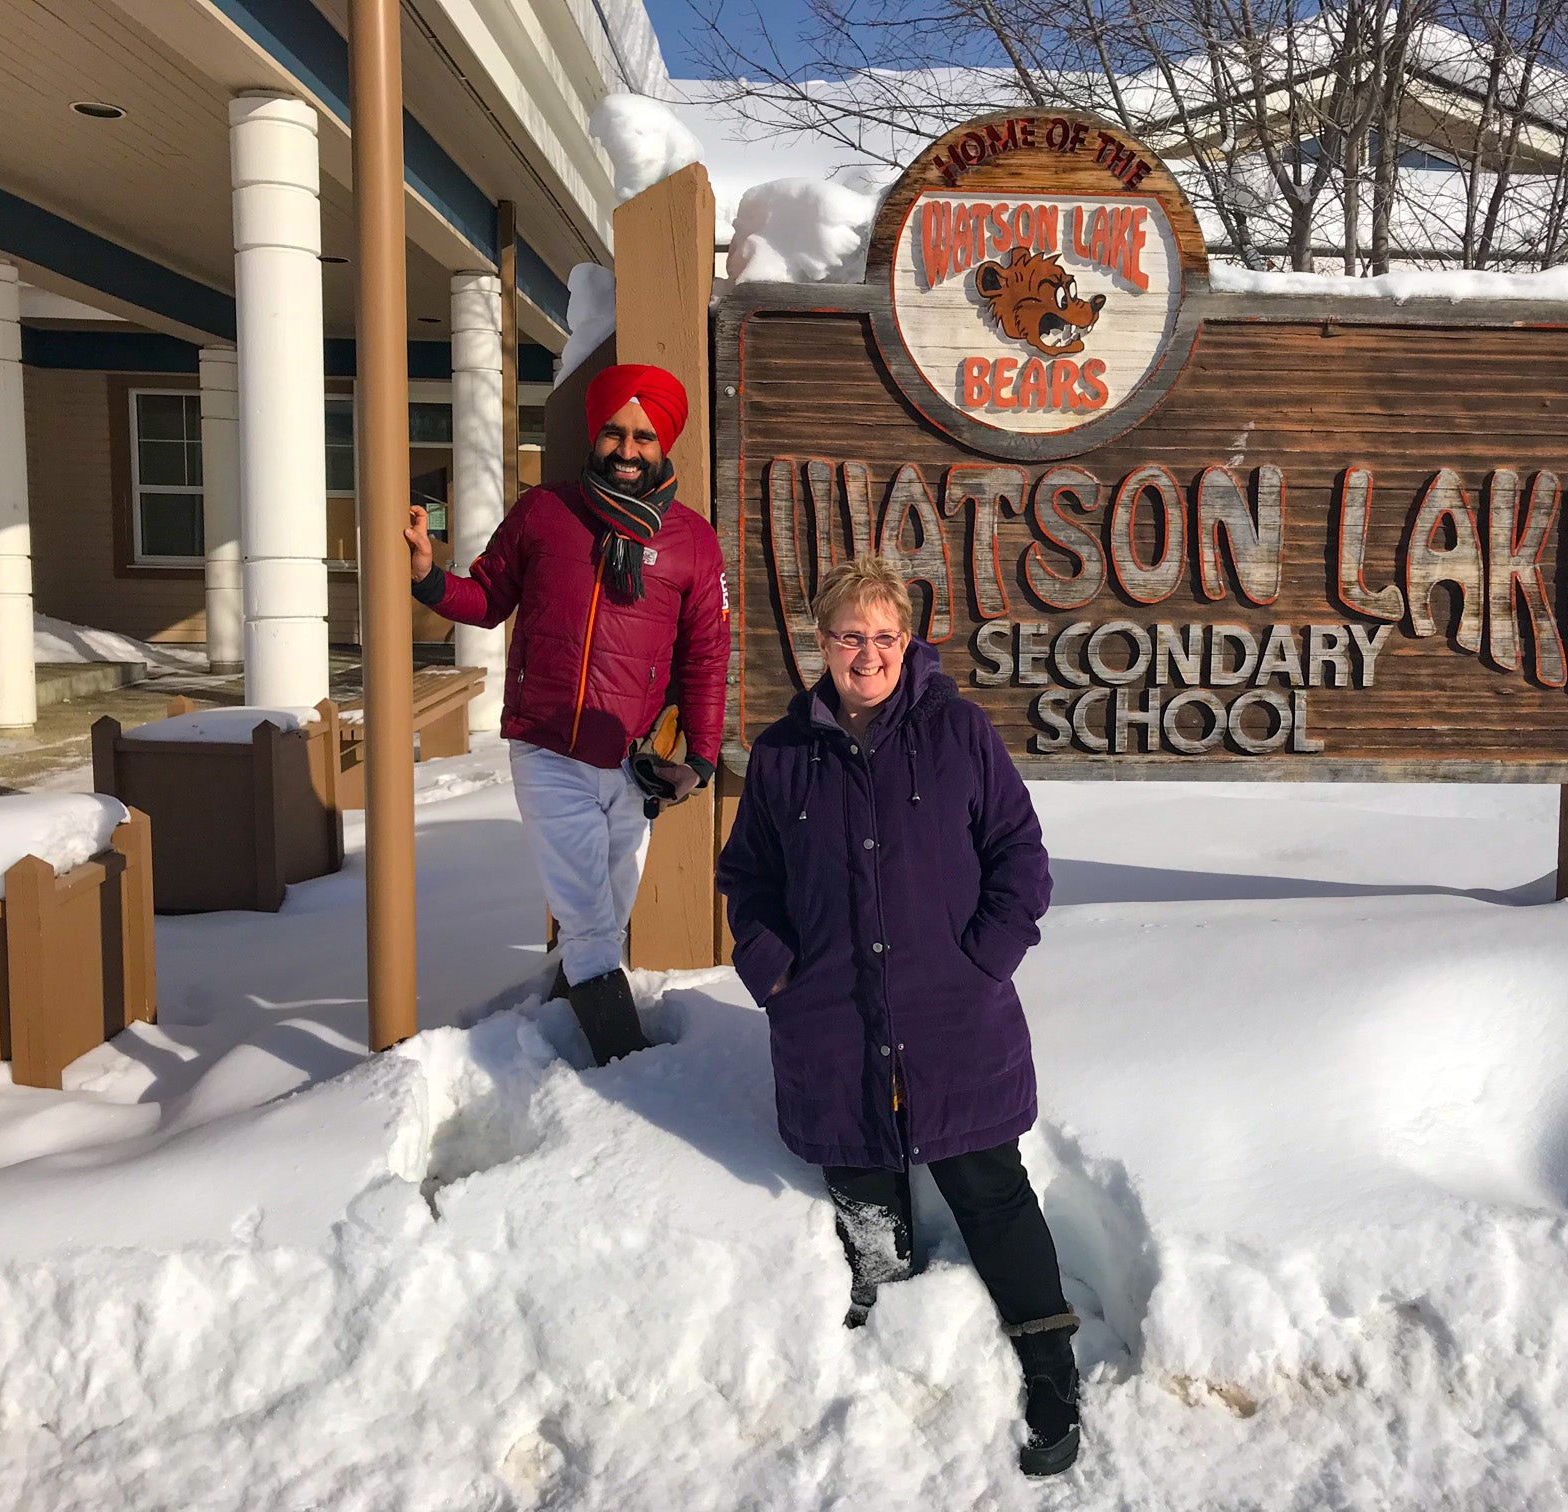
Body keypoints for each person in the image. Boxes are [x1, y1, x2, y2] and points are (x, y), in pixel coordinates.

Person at [715, 554, 1080, 1477]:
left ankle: (1050, 1369)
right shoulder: (783, 754)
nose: (867, 653)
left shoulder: (958, 733)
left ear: (906, 642)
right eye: (849, 636)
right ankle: (894, 1375)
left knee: (993, 1197)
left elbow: (1020, 858)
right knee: (867, 1208)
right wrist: (775, 972)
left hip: (956, 1026)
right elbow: (747, 880)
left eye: (883, 636)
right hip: (832, 1029)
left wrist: (984, 960)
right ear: (823, 645)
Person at [407, 363, 729, 1065]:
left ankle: (560, 1022)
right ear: (596, 433)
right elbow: (486, 600)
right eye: (614, 431)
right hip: (549, 749)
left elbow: (706, 654)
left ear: (663, 442)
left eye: (643, 435)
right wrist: (429, 577)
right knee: (586, 923)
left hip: (634, 757)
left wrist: (699, 755)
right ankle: (624, 1068)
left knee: (606, 915)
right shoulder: (543, 513)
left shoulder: (693, 542)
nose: (626, 448)